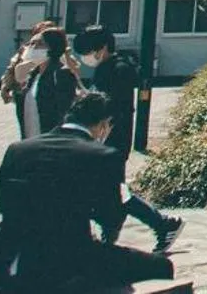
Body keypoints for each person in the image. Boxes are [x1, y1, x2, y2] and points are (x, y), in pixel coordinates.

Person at [0, 90, 179, 287]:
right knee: (161, 267)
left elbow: (4, 203)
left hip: (18, 251)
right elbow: (110, 216)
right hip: (69, 256)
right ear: (103, 125)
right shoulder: (103, 156)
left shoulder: (18, 149)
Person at [73, 28, 182, 253]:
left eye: (88, 51)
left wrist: (101, 137)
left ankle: (163, 224)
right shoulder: (108, 68)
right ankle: (117, 232)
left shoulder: (118, 70)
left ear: (102, 48)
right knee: (112, 190)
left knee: (114, 190)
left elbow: (113, 108)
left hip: (113, 141)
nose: (86, 57)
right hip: (106, 140)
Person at [24, 27, 80, 136]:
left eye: (39, 44)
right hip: (32, 138)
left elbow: (64, 112)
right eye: (31, 43)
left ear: (52, 48)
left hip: (51, 140)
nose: (32, 48)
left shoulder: (61, 73)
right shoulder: (34, 75)